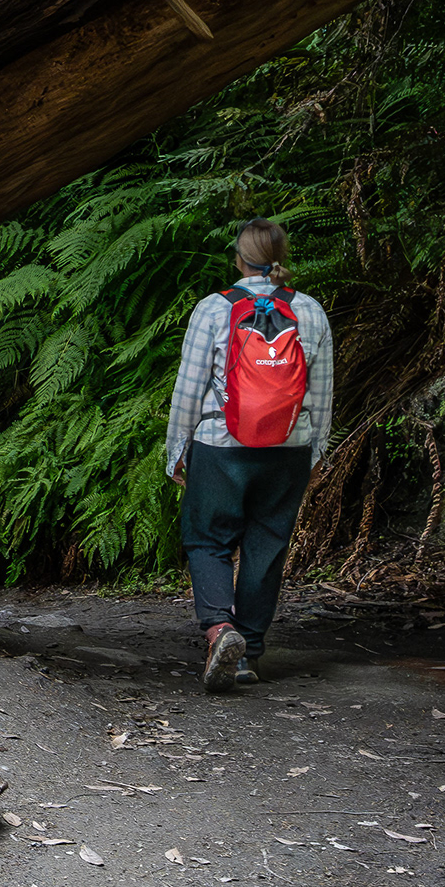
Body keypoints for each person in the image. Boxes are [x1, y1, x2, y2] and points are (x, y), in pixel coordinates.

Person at [164, 220, 333, 694]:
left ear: (238, 258)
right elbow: (321, 392)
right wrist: (313, 450)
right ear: (283, 256)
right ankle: (248, 655)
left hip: (221, 447)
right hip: (289, 450)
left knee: (207, 539)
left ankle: (221, 629)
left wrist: (177, 447)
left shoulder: (214, 309)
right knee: (268, 543)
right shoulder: (311, 311)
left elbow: (189, 388)